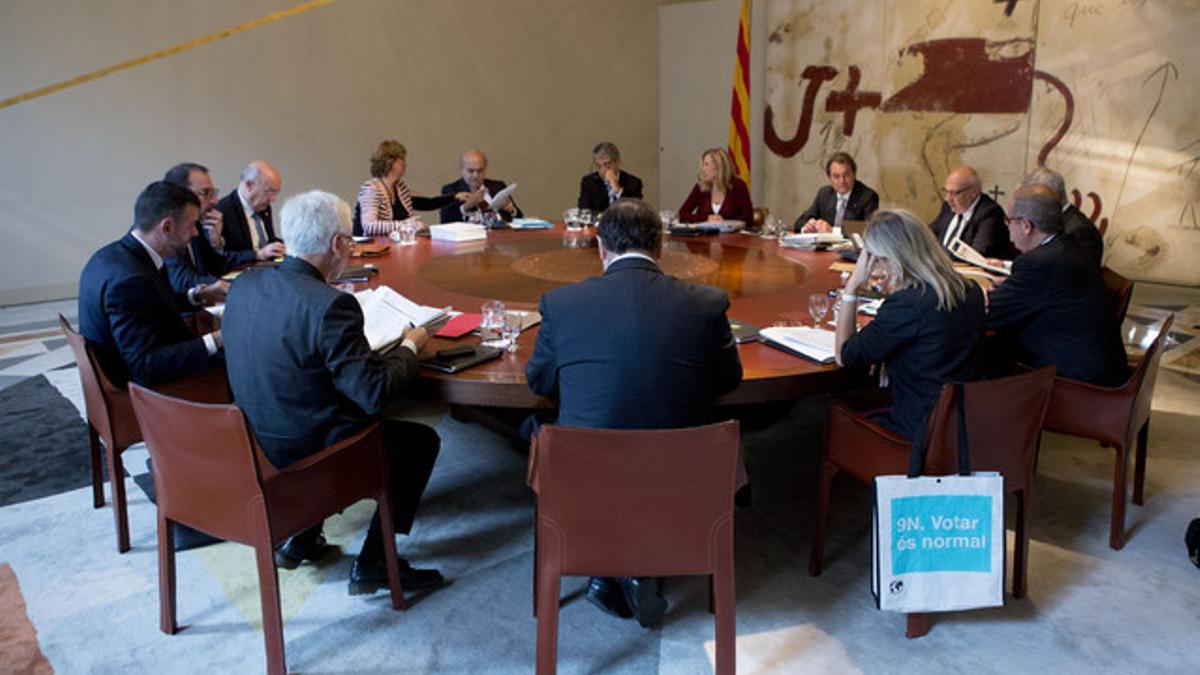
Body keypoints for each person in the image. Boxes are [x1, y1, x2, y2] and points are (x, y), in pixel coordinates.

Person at [525, 198, 743, 628]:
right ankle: (634, 567)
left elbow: (540, 383)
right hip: (683, 474)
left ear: (601, 248)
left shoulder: (562, 305)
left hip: (586, 479)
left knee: (539, 428)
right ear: (660, 247)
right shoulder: (706, 304)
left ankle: (609, 566)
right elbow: (727, 381)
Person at [222, 190, 445, 595]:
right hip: (309, 452)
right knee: (419, 442)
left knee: (317, 393)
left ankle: (303, 539)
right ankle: (376, 562)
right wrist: (411, 345)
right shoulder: (330, 306)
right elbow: (374, 395)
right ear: (338, 244)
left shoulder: (244, 286)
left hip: (254, 438)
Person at [834, 209, 986, 440]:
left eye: (879, 259)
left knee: (834, 409)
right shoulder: (970, 290)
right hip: (964, 425)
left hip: (918, 432)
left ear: (895, 256)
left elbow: (844, 356)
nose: (878, 268)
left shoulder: (906, 305)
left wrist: (851, 288)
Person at [78, 181, 224, 387]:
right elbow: (144, 365)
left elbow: (152, 304)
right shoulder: (130, 281)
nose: (196, 233)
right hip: (148, 393)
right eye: (191, 224)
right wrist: (218, 338)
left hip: (139, 368)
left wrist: (199, 295)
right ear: (167, 227)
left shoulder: (116, 256)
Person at [985, 185, 1127, 386]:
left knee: (979, 351)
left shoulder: (1039, 263)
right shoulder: (1066, 247)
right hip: (1097, 368)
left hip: (1076, 382)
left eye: (1009, 221)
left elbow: (989, 314)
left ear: (1026, 225)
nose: (1008, 227)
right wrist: (1012, 288)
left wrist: (973, 292)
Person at [355, 140, 482, 235]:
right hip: (372, 249)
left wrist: (453, 197)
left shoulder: (399, 187)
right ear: (390, 162)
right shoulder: (372, 189)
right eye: (402, 160)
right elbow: (369, 226)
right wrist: (406, 225)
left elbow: (425, 203)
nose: (405, 164)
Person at [161, 162, 246, 298]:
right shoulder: (167, 228)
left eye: (213, 193)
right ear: (180, 195)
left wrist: (216, 243)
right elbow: (182, 281)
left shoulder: (199, 223)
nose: (214, 201)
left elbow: (219, 270)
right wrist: (229, 285)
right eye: (206, 193)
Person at [1021, 166, 1104, 268]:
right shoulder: (1052, 219)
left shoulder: (1082, 232)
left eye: (1033, 200)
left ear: (1050, 198)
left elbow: (1074, 277)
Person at [929, 165, 1015, 259]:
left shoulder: (990, 213)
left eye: (954, 193)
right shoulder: (948, 207)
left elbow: (976, 255)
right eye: (946, 191)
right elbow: (930, 234)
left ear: (973, 192)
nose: (948, 198)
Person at [214, 160, 288, 259]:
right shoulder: (223, 211)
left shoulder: (264, 208)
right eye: (269, 191)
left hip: (268, 268)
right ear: (249, 185)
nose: (273, 199)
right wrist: (258, 255)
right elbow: (221, 256)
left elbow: (267, 241)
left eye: (276, 193)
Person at [794, 152, 879, 233]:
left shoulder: (868, 197)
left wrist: (833, 231)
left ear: (854, 174)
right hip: (824, 247)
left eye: (846, 175)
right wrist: (807, 226)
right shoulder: (824, 194)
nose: (842, 181)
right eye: (836, 176)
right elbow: (799, 222)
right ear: (829, 177)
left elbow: (870, 230)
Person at [439, 149, 523, 224]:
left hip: (503, 236)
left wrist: (512, 210)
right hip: (471, 238)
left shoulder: (498, 186)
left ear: (485, 169)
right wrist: (466, 207)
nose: (475, 175)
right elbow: (445, 222)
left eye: (479, 171)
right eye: (471, 171)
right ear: (462, 169)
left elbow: (520, 217)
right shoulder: (451, 190)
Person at [678, 147, 753, 224]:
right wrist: (707, 218)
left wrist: (724, 221)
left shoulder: (738, 186)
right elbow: (682, 214)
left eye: (706, 164)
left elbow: (748, 218)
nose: (703, 169)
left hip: (732, 235)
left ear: (719, 167)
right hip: (704, 235)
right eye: (703, 165)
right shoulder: (701, 186)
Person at [577, 142, 643, 212]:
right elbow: (584, 211)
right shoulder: (589, 182)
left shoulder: (633, 183)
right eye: (599, 166)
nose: (602, 171)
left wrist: (615, 186)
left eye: (607, 165)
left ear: (617, 162)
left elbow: (633, 213)